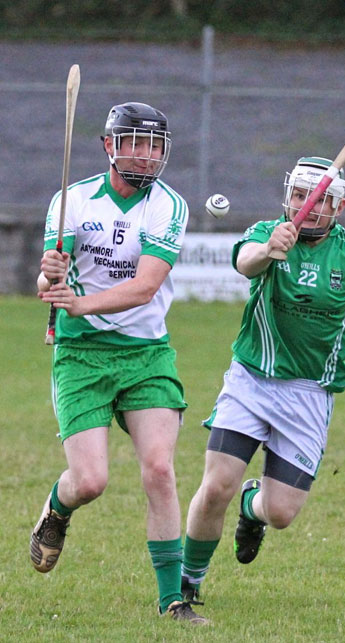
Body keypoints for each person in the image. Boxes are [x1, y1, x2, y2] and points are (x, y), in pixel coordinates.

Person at [180, 156, 345, 609]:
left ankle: (251, 508)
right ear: (288, 196)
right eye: (300, 196)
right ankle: (187, 583)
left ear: (338, 208)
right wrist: (268, 250)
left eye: (319, 200)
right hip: (251, 380)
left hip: (309, 394)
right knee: (217, 483)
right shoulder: (267, 232)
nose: (307, 207)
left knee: (280, 513)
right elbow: (244, 263)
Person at [31, 101, 207, 625]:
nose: (147, 156)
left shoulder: (168, 205)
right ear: (110, 146)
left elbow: (146, 285)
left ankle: (171, 599)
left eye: (155, 145)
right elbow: (46, 287)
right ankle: (57, 511)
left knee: (159, 468)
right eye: (135, 143)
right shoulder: (72, 200)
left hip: (145, 353)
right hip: (81, 354)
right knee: (89, 482)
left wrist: (78, 302)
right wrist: (50, 274)